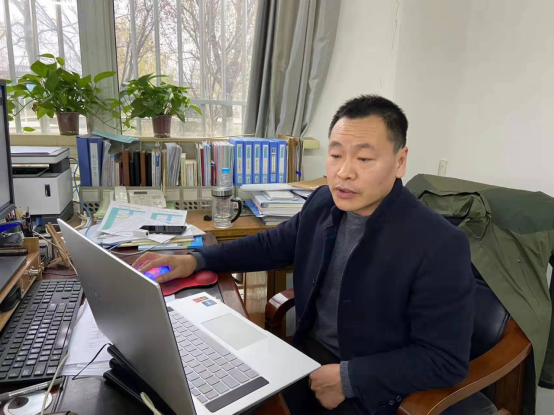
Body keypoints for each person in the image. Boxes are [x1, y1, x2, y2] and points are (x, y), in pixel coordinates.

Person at [133, 95, 475, 415]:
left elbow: (445, 359)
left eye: (364, 158)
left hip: (371, 387)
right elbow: (269, 246)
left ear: (400, 162)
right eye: (336, 155)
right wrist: (196, 260)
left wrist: (350, 379)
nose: (344, 172)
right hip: (304, 358)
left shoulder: (440, 245)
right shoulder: (324, 203)